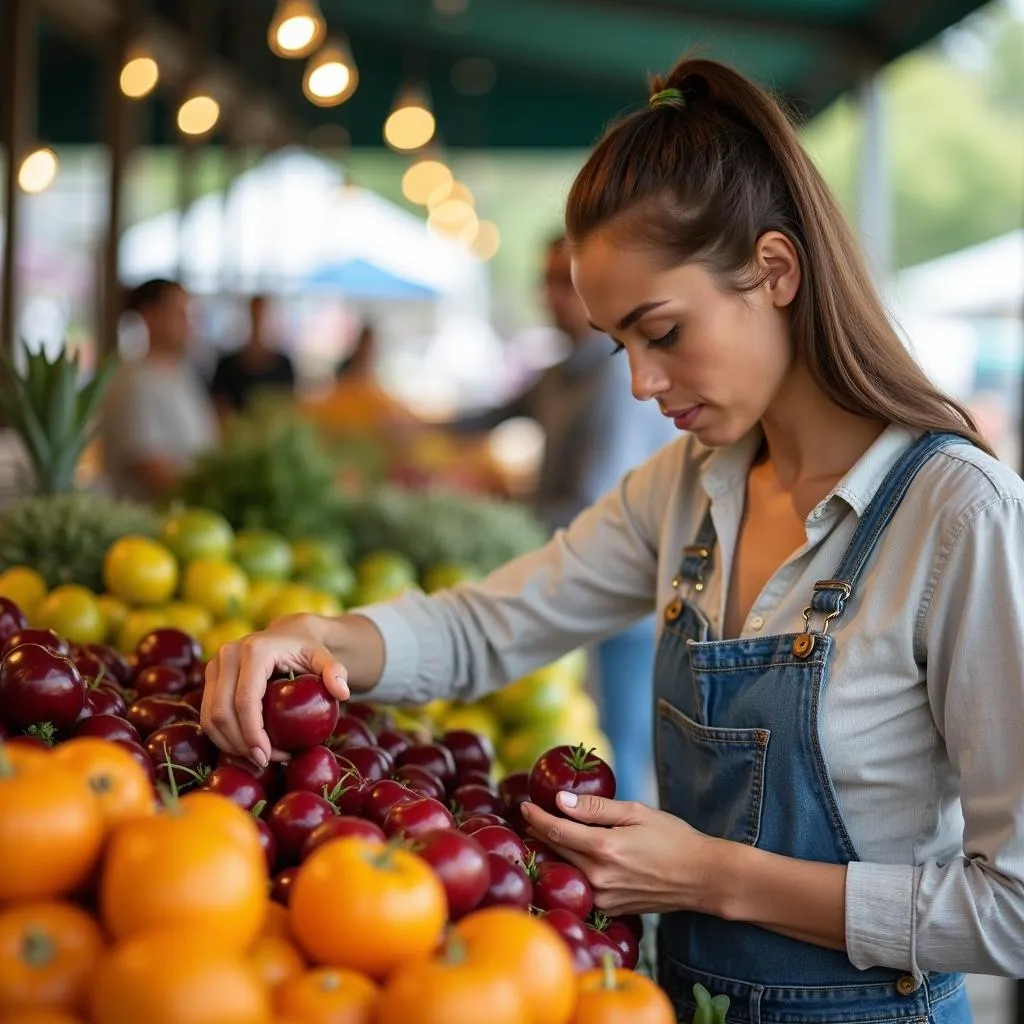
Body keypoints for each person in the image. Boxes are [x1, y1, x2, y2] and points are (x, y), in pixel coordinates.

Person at [202, 57, 1024, 1022]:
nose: (640, 383)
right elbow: (488, 627)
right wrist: (321, 638)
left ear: (775, 271)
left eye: (663, 332)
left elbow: (1011, 908)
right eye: (618, 345)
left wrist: (710, 877)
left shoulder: (958, 515)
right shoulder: (684, 490)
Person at [461, 234, 679, 801]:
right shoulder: (562, 374)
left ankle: (628, 876)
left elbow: (593, 503)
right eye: (549, 281)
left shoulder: (614, 380)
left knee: (618, 752)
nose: (553, 297)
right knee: (596, 741)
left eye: (569, 283)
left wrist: (502, 512)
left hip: (626, 593)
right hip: (579, 580)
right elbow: (491, 414)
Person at [100, 279, 218, 502]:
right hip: (152, 526)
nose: (189, 323)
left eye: (191, 314)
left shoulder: (182, 372)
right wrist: (212, 494)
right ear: (150, 315)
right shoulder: (133, 381)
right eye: (179, 313)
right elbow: (148, 466)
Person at [209, 295, 296, 419]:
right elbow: (219, 407)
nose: (258, 320)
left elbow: (290, 406)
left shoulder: (284, 364)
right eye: (255, 314)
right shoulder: (227, 365)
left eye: (262, 314)